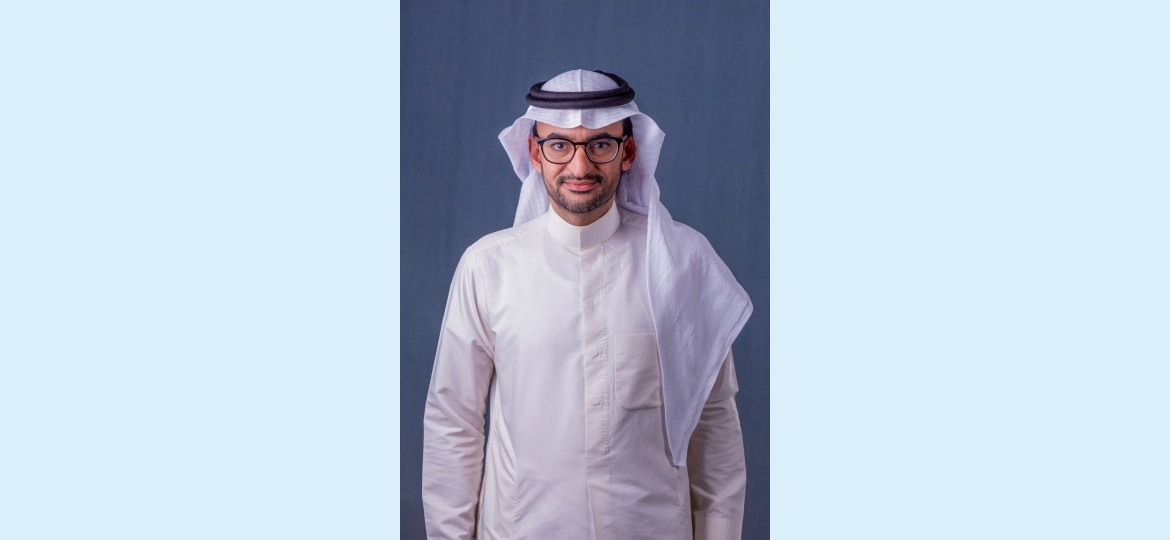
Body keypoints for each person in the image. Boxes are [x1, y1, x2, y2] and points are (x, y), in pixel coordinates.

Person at [422, 69, 753, 540]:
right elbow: (453, 421)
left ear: (628, 152)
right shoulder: (487, 268)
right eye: (559, 145)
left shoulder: (682, 263)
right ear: (534, 152)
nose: (579, 167)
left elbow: (714, 420)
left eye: (600, 145)